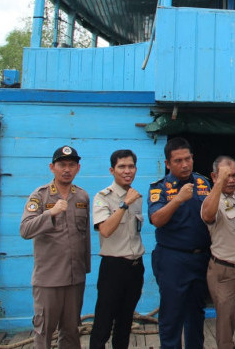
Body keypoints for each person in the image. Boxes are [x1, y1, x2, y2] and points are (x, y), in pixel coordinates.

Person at [20, 145, 90, 349]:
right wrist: (50, 213)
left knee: (71, 331)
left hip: (75, 278)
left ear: (78, 168)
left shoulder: (82, 196)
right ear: (52, 167)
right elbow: (25, 230)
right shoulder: (40, 196)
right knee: (44, 332)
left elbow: (84, 237)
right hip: (48, 279)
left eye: (71, 165)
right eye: (62, 165)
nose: (66, 169)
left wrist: (84, 269)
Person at [148, 138, 211, 349]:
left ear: (193, 158)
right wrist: (177, 200)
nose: (184, 165)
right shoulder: (160, 188)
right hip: (172, 259)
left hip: (200, 257)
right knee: (171, 315)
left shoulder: (203, 183)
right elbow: (156, 219)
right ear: (168, 163)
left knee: (196, 314)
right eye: (178, 161)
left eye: (187, 159)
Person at [89, 149, 145, 349]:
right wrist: (124, 204)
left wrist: (129, 200)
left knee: (125, 322)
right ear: (112, 170)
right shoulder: (102, 197)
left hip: (135, 266)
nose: (127, 171)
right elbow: (105, 230)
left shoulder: (136, 197)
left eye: (131, 166)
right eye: (122, 167)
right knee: (103, 322)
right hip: (113, 268)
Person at [201, 156, 235, 349]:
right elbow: (207, 215)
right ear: (214, 177)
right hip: (225, 273)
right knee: (226, 328)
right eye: (226, 176)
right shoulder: (212, 200)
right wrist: (218, 183)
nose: (232, 180)